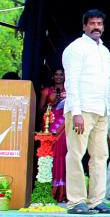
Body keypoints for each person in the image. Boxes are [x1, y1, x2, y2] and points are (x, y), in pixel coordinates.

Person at [62, 9, 110, 214]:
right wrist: (76, 112)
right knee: (76, 154)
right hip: (82, 109)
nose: (96, 27)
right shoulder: (75, 48)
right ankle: (76, 201)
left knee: (101, 155)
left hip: (101, 110)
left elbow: (109, 85)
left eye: (100, 24)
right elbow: (72, 82)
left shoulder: (104, 51)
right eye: (92, 23)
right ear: (84, 26)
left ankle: (96, 200)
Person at [38, 68, 67, 202]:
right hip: (50, 125)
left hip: (65, 126)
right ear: (52, 76)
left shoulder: (70, 91)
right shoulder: (46, 91)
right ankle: (50, 189)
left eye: (61, 74)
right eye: (56, 74)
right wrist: (52, 103)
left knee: (64, 155)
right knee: (51, 155)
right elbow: (40, 110)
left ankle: (64, 190)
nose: (59, 77)